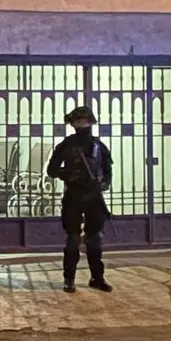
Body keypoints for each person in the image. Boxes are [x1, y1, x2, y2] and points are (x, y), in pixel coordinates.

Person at [47, 106, 113, 294]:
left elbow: (108, 170)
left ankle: (97, 278)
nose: (82, 125)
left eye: (85, 121)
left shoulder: (98, 146)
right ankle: (69, 279)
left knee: (95, 240)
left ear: (91, 123)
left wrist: (103, 184)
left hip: (94, 197)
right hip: (74, 196)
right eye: (78, 122)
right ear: (73, 124)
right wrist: (68, 174)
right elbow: (51, 170)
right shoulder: (66, 145)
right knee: (73, 240)